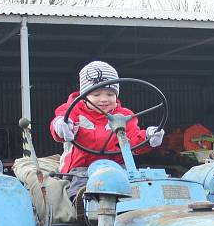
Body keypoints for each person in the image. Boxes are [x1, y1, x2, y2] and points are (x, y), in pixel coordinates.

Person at [49, 60, 165, 198]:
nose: (104, 99)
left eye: (110, 94)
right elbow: (60, 122)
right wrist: (60, 126)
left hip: (117, 167)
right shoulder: (73, 111)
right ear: (85, 96)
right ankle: (80, 203)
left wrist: (148, 137)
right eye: (96, 95)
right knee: (80, 188)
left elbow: (133, 139)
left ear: (116, 96)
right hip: (82, 168)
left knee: (134, 186)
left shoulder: (125, 116)